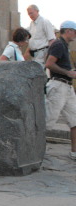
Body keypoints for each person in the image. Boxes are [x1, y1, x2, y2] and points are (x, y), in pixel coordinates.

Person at [44, 21, 76, 159]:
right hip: (58, 85)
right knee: (47, 121)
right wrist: (67, 72)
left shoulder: (64, 46)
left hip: (67, 87)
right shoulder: (58, 44)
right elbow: (49, 64)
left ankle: (74, 152)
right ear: (68, 31)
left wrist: (69, 71)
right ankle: (32, 149)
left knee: (75, 120)